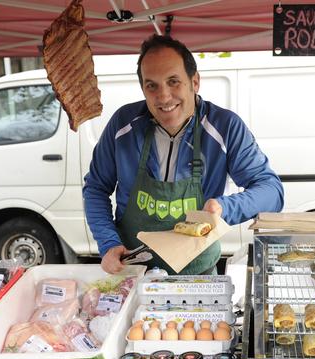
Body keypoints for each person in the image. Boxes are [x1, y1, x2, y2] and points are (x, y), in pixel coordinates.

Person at [83, 35, 283, 275]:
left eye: (174, 81)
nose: (164, 96)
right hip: (133, 271)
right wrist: (108, 243)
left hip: (198, 272)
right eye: (152, 85)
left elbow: (272, 191)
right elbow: (95, 188)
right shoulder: (123, 125)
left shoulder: (225, 126)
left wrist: (224, 207)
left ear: (195, 82)